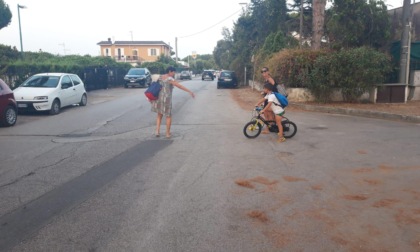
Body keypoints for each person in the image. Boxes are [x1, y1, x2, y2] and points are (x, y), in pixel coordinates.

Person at [151, 66, 195, 138]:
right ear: (170, 71)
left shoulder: (160, 77)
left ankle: (157, 131)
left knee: (159, 115)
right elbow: (179, 86)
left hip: (158, 98)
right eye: (173, 72)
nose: (174, 73)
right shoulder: (170, 79)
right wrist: (189, 91)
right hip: (166, 99)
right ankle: (167, 133)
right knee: (168, 116)